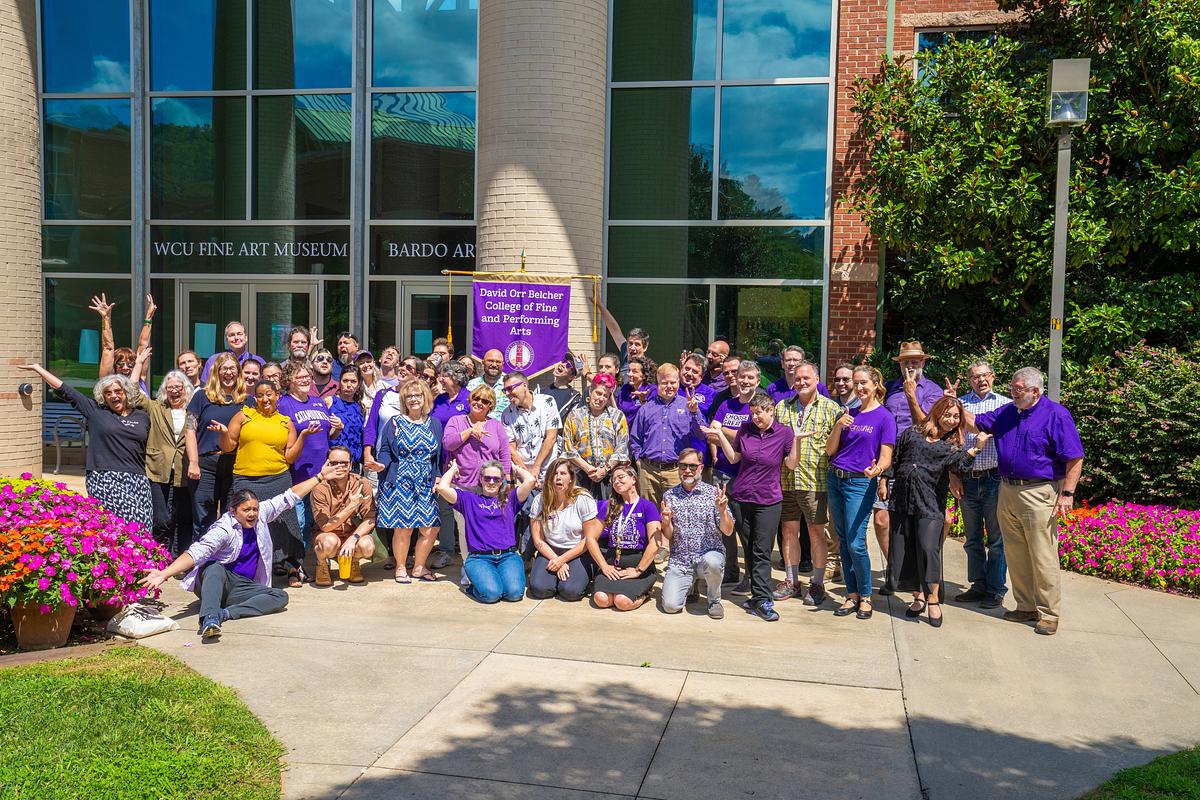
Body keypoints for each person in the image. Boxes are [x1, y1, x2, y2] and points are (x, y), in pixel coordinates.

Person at [139, 460, 339, 640]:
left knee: (279, 597)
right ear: (233, 512)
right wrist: (164, 573)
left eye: (255, 509)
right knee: (214, 567)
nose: (252, 513)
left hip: (242, 588)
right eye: (246, 510)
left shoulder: (261, 515)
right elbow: (196, 552)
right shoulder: (224, 529)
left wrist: (320, 477)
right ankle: (209, 618)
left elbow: (290, 497)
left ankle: (224, 613)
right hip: (216, 583)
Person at [963, 366, 1084, 636]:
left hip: (1039, 491)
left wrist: (1067, 493)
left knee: (1042, 555)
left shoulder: (1056, 415)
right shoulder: (1008, 412)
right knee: (1015, 553)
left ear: (1035, 391)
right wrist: (951, 404)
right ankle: (1026, 605)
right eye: (1012, 389)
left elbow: (1075, 457)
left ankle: (1049, 613)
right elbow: (975, 423)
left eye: (1019, 390)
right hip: (1007, 489)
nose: (1013, 394)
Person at [702, 391, 814, 622]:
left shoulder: (784, 433)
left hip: (768, 501)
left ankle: (763, 599)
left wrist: (798, 441)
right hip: (742, 498)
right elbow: (734, 458)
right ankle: (756, 595)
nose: (755, 417)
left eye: (759, 413)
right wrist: (719, 434)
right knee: (750, 548)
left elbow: (791, 464)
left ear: (771, 410)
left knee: (762, 551)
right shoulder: (745, 430)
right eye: (753, 413)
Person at [910, 360, 1010, 608]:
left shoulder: (1006, 405)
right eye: (975, 377)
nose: (981, 380)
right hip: (967, 478)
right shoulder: (960, 403)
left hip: (994, 477)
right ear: (969, 380)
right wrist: (953, 475)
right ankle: (978, 585)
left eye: (985, 375)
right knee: (972, 537)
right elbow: (947, 442)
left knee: (996, 539)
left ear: (993, 376)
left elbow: (988, 430)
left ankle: (995, 589)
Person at [887, 397, 991, 628]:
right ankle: (918, 597)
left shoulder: (952, 445)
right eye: (948, 415)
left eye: (956, 417)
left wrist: (976, 448)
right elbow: (896, 459)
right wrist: (885, 481)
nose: (952, 421)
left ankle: (933, 598)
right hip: (903, 499)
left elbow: (960, 467)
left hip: (930, 502)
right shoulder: (912, 433)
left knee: (928, 548)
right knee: (907, 548)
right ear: (937, 412)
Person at [21, 363, 153, 528]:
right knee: (115, 529)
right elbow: (66, 390)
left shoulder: (143, 416)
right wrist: (38, 369)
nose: (113, 396)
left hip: (137, 479)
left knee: (144, 529)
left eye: (118, 391)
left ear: (126, 393)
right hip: (104, 478)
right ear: (103, 397)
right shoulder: (95, 411)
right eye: (108, 393)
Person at [216, 380, 311, 587]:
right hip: (246, 480)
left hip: (278, 478)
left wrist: (302, 436)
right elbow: (228, 446)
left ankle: (292, 568)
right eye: (260, 395)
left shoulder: (285, 422)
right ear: (255, 397)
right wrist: (223, 433)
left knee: (287, 524)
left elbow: (290, 457)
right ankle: (245, 568)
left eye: (269, 394)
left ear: (277, 395)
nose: (265, 399)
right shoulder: (244, 416)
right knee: (246, 524)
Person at [826, 366, 896, 621]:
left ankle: (866, 596)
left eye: (864, 382)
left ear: (876, 384)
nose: (859, 388)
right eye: (856, 383)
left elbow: (886, 457)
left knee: (856, 543)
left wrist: (877, 470)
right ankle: (852, 593)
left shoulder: (884, 417)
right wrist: (838, 426)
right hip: (836, 478)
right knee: (844, 540)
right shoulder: (849, 413)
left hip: (860, 483)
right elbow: (830, 450)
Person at [772, 361, 842, 606]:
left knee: (815, 532)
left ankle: (818, 582)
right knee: (788, 531)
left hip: (816, 480)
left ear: (817, 379)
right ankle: (791, 580)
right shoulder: (782, 408)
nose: (801, 382)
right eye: (798, 378)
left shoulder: (832, 409)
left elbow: (840, 446)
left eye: (806, 378)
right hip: (786, 480)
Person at [876, 341, 944, 586]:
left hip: (920, 461)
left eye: (915, 361)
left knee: (918, 522)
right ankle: (895, 570)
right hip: (891, 458)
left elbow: (927, 426)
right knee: (883, 520)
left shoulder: (933, 390)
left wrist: (912, 395)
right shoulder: (890, 388)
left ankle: (921, 576)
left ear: (923, 362)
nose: (910, 365)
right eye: (906, 361)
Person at [435, 460, 536, 603]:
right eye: (487, 478)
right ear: (481, 479)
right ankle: (473, 586)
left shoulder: (509, 499)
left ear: (502, 481)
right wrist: (454, 468)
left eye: (496, 479)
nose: (491, 482)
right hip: (479, 558)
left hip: (508, 556)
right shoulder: (469, 499)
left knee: (514, 594)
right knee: (491, 595)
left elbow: (530, 480)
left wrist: (514, 468)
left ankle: (493, 580)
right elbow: (443, 488)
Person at [375, 379, 443, 583]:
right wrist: (381, 465)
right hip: (400, 480)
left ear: (425, 398)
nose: (414, 399)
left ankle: (420, 567)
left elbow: (437, 457)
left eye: (418, 395)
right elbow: (385, 451)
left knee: (431, 528)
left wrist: (437, 476)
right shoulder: (395, 422)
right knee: (403, 528)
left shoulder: (434, 423)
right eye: (409, 396)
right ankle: (401, 567)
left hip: (424, 482)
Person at [443, 385, 512, 575]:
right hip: (463, 487)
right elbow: (448, 443)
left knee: (488, 528)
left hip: (490, 488)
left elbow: (504, 455)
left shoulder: (496, 425)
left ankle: (489, 566)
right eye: (477, 398)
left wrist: (506, 482)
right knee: (466, 531)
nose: (480, 403)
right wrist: (470, 432)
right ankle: (469, 569)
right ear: (470, 399)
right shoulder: (457, 421)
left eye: (485, 401)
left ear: (491, 406)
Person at [659, 448, 735, 618]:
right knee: (671, 606)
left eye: (692, 466)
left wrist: (722, 511)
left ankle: (714, 600)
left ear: (701, 468)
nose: (687, 471)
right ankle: (690, 583)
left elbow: (728, 531)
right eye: (683, 466)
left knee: (713, 563)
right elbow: (669, 535)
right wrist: (666, 523)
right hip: (681, 560)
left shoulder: (713, 494)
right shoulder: (669, 496)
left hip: (707, 556)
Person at [277, 360, 342, 549]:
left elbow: (327, 436)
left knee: (321, 521)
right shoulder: (283, 404)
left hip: (323, 473)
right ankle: (295, 566)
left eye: (307, 376)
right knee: (299, 522)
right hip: (297, 474)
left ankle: (318, 561)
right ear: (289, 381)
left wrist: (337, 428)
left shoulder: (319, 402)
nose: (306, 380)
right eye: (300, 377)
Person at [706, 361, 758, 587]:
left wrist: (723, 431)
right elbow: (711, 433)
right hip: (723, 472)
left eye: (750, 378)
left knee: (747, 529)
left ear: (757, 380)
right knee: (724, 523)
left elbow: (753, 437)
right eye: (742, 377)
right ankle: (731, 571)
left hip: (747, 475)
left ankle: (751, 575)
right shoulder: (726, 404)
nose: (745, 381)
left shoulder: (760, 406)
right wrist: (728, 434)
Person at [184, 353, 246, 539]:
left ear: (238, 372)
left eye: (232, 368)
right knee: (203, 518)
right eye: (224, 369)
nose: (228, 373)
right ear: (216, 372)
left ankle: (226, 565)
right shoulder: (201, 397)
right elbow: (189, 430)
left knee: (232, 517)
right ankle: (201, 565)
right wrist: (193, 462)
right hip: (206, 464)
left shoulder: (247, 401)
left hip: (235, 465)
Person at [629, 363, 705, 506]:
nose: (669, 386)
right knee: (649, 514)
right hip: (649, 471)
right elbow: (635, 438)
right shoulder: (646, 409)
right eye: (664, 383)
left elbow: (701, 434)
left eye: (673, 382)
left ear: (678, 382)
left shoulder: (688, 405)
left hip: (676, 471)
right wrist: (639, 460)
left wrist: (695, 413)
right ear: (657, 384)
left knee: (676, 514)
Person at [587, 463, 660, 611]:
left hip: (638, 564)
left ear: (633, 479)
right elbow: (590, 538)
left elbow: (655, 542)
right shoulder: (609, 506)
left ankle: (645, 593)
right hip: (613, 564)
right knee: (601, 599)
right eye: (613, 480)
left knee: (622, 602)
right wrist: (604, 566)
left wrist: (638, 570)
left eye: (621, 477)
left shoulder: (647, 506)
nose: (616, 482)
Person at [527, 459, 601, 601]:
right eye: (554, 474)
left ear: (571, 478)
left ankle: (585, 573)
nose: (558, 477)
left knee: (570, 591)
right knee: (540, 589)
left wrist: (562, 560)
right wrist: (556, 559)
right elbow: (538, 540)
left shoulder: (583, 499)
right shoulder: (540, 500)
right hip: (550, 550)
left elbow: (589, 539)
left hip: (579, 550)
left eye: (563, 473)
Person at [142, 366, 195, 556]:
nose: (174, 390)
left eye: (178, 387)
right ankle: (159, 554)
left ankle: (180, 556)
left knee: (182, 517)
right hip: (158, 468)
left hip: (185, 468)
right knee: (162, 518)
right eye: (170, 387)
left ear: (185, 389)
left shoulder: (192, 410)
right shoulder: (157, 408)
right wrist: (140, 362)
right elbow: (133, 393)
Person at [311, 445, 376, 586]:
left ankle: (354, 562)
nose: (339, 467)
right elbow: (325, 526)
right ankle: (322, 563)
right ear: (327, 464)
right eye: (334, 463)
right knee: (329, 543)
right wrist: (351, 506)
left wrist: (353, 538)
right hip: (327, 535)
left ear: (351, 464)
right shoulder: (320, 487)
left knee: (367, 546)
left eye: (344, 463)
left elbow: (370, 518)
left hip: (352, 532)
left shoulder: (362, 483)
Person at [562, 378, 630, 498]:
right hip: (581, 475)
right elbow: (568, 447)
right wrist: (587, 468)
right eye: (598, 393)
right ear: (590, 392)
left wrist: (605, 469)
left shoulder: (617, 417)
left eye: (605, 395)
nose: (601, 398)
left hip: (610, 477)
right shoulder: (574, 416)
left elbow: (622, 446)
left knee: (608, 513)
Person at [501, 371, 560, 481]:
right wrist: (527, 475)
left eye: (510, 388)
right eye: (505, 390)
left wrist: (536, 467)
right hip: (523, 475)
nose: (507, 393)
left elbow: (551, 437)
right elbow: (511, 449)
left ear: (524, 385)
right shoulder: (506, 414)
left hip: (550, 471)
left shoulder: (547, 401)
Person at [91, 292, 153, 383]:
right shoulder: (108, 382)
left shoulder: (139, 380)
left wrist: (149, 317)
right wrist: (106, 319)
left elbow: (143, 344)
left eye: (130, 365)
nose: (125, 368)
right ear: (114, 366)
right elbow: (108, 347)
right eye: (120, 364)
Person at [596, 300, 649, 380]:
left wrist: (587, 374)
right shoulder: (626, 353)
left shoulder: (647, 370)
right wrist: (599, 304)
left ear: (645, 347)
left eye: (637, 344)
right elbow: (614, 330)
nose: (632, 347)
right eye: (630, 343)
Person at [327, 365, 365, 470]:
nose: (349, 385)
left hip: (354, 463)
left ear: (358, 384)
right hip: (334, 461)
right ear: (339, 382)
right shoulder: (329, 401)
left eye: (353, 381)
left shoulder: (360, 406)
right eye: (345, 381)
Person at [615, 355, 657, 428]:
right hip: (624, 433)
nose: (629, 374)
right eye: (629, 370)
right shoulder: (625, 389)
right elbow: (616, 411)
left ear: (644, 375)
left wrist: (643, 401)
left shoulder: (651, 390)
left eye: (634, 372)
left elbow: (652, 417)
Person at [543, 354, 584, 423]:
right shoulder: (540, 391)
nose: (562, 364)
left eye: (568, 365)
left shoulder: (575, 399)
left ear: (572, 377)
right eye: (563, 361)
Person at [467, 349, 508, 419]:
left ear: (502, 364)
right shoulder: (470, 386)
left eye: (498, 362)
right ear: (483, 363)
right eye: (490, 361)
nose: (494, 365)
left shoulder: (508, 386)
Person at [705, 355, 742, 422]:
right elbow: (712, 423)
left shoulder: (755, 396)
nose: (730, 375)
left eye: (734, 371)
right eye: (726, 373)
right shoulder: (719, 399)